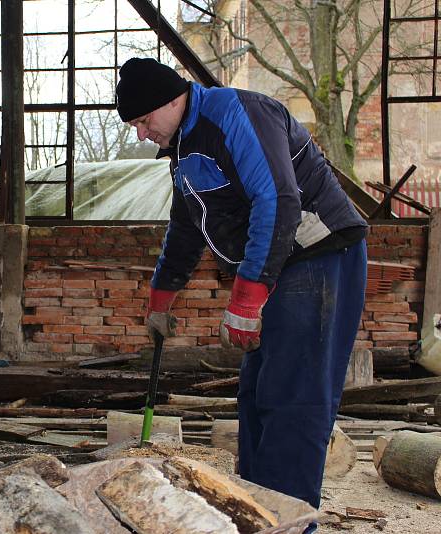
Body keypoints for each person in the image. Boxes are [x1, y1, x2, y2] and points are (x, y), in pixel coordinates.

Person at [116, 57, 368, 514]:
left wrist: (247, 299)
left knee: (293, 397)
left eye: (143, 120)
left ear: (173, 100)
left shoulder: (236, 113)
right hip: (278, 264)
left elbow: (277, 199)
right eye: (133, 124)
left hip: (316, 255)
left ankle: (288, 518)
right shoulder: (183, 147)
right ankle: (258, 509)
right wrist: (161, 296)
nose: (140, 133)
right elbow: (186, 226)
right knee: (256, 395)